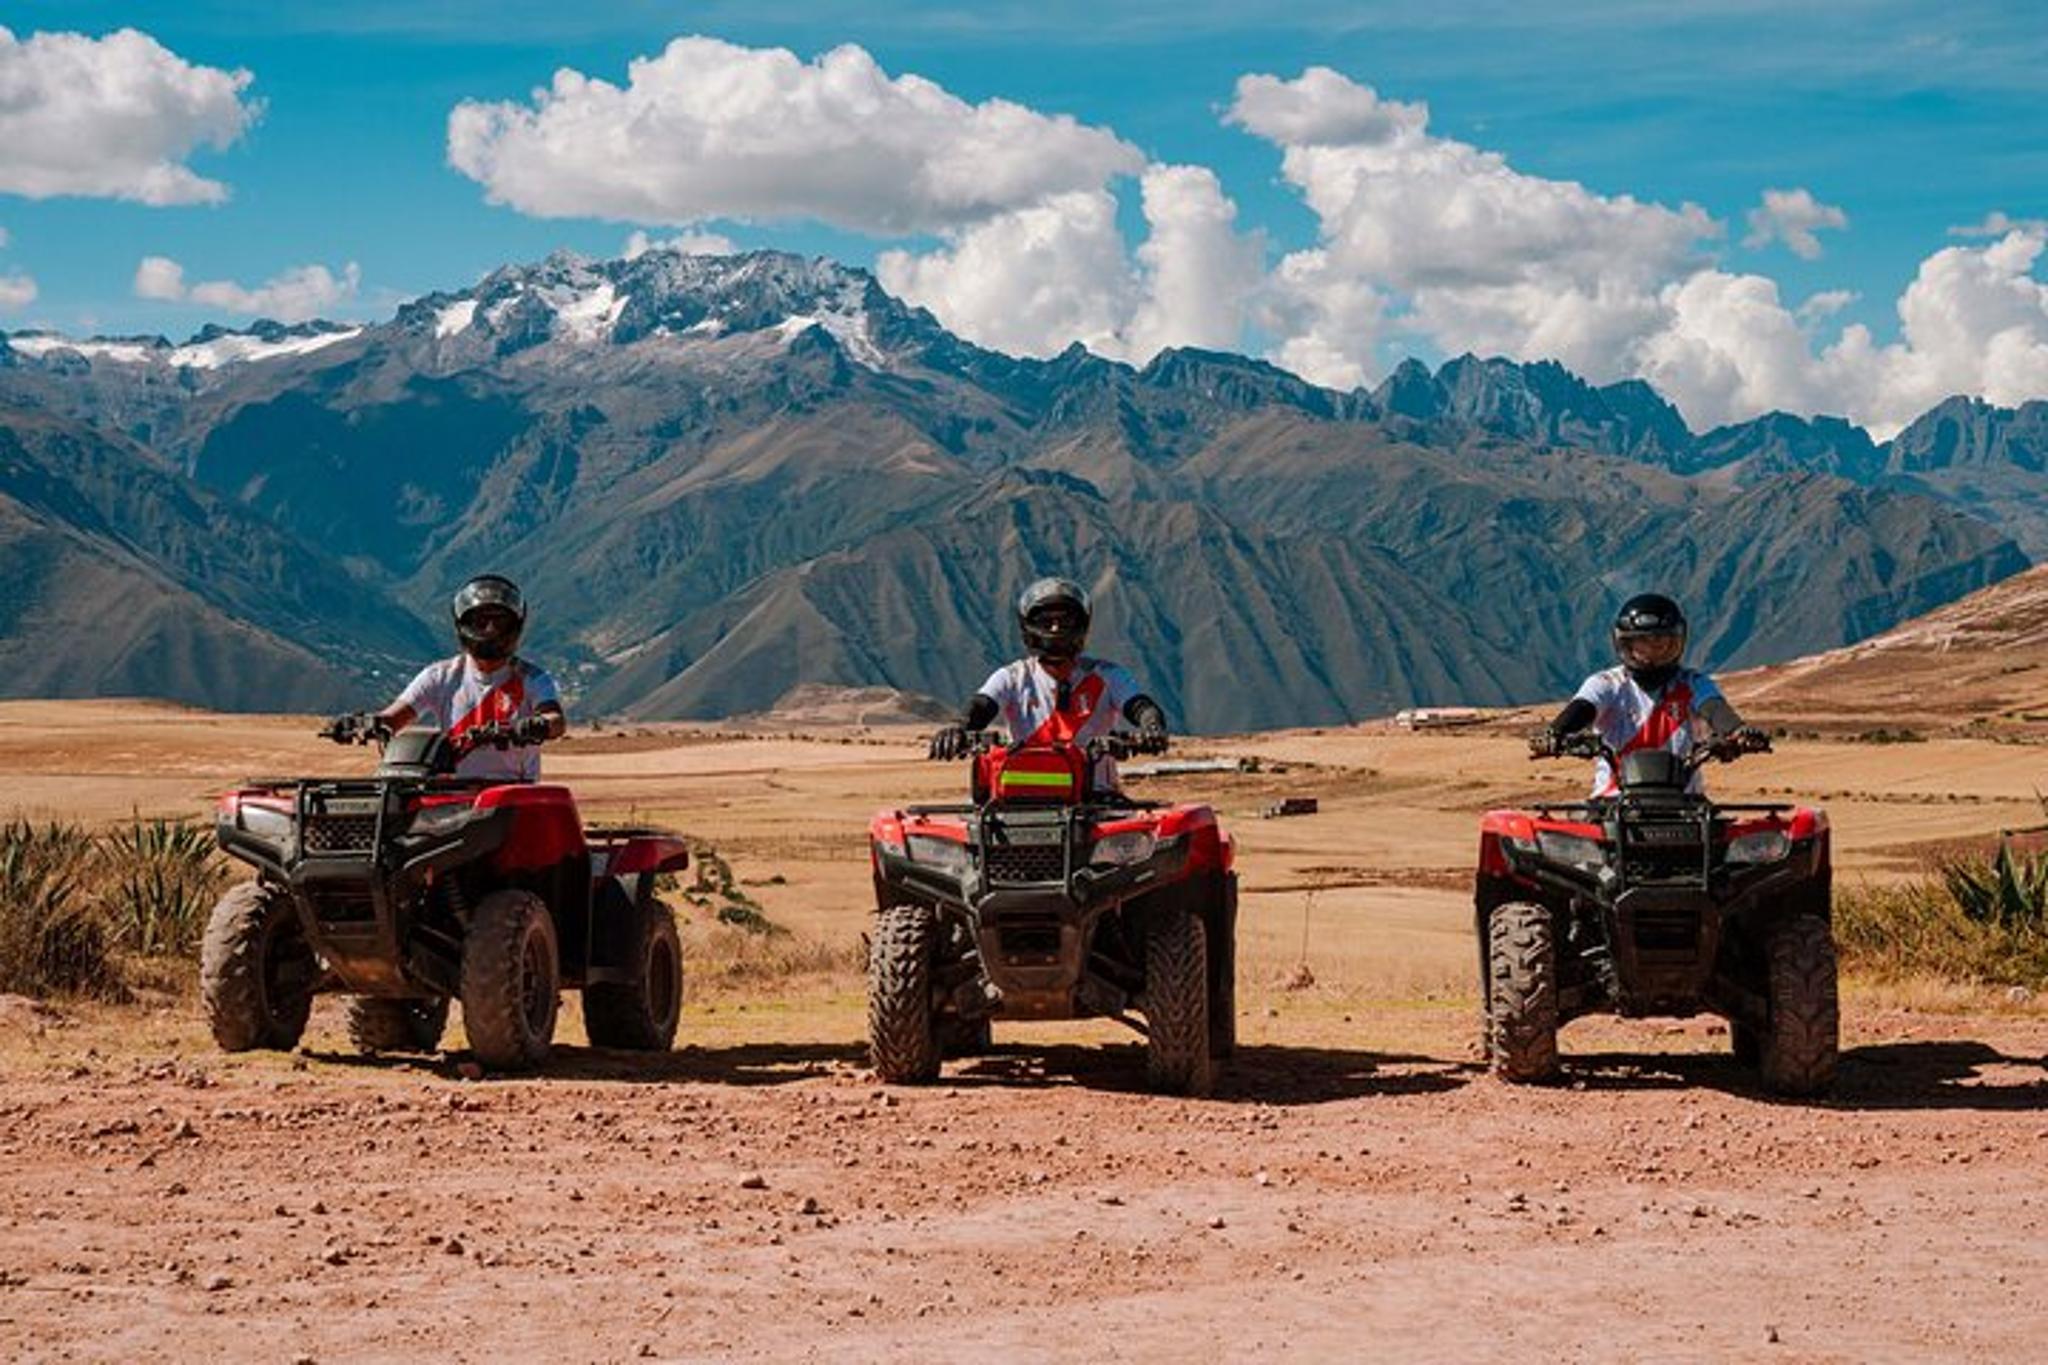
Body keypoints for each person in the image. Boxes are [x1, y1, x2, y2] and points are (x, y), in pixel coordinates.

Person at [928, 576, 1170, 792]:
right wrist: (958, 727)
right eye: (1046, 622)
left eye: (1065, 622)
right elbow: (982, 705)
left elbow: (1138, 705)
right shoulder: (1013, 677)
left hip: (1097, 797)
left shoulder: (1109, 675)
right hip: (1021, 796)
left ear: (1081, 627)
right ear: (1028, 627)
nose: (1055, 629)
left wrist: (1151, 727)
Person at [1529, 592, 1763, 797]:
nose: (1653, 650)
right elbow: (1583, 706)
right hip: (1613, 800)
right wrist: (1557, 732)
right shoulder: (1607, 683)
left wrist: (1737, 732)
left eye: (1662, 642)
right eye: (1644, 642)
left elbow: (1714, 707)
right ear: (1626, 645)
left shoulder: (1693, 683)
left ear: (1677, 642)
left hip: (1686, 802)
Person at [346, 574, 566, 782]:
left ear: (514, 627)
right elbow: (395, 718)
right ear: (464, 625)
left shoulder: (533, 679)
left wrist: (531, 726)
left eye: (499, 622)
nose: (490, 630)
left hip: (513, 792)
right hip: (452, 791)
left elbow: (555, 720)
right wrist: (367, 723)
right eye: (481, 622)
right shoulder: (440, 676)